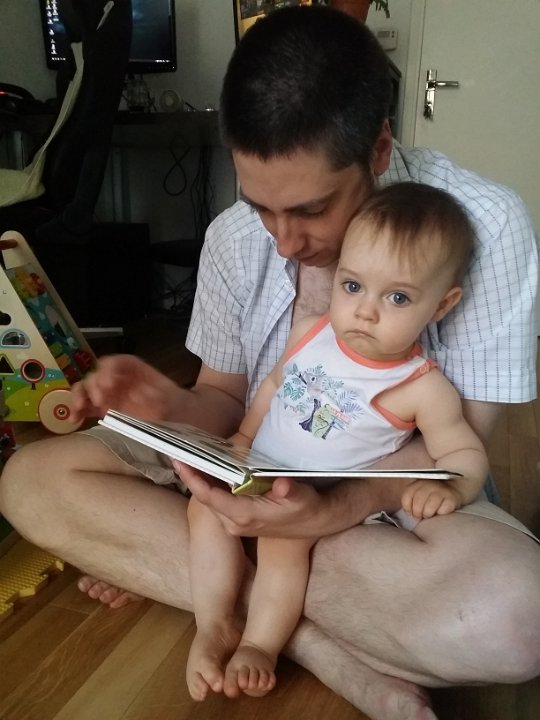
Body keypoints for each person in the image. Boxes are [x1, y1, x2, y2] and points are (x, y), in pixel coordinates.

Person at [1, 6, 539, 720]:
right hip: (253, 467)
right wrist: (166, 403)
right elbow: (225, 404)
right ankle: (310, 644)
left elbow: (450, 456)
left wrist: (325, 514)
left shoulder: (484, 226)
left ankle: (191, 575)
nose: (284, 241)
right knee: (29, 480)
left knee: (517, 619)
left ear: (379, 149)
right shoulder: (233, 238)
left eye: (311, 210)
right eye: (261, 207)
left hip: (387, 502)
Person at [185, 182, 490, 701]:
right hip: (261, 468)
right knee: (201, 509)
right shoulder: (312, 331)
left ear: (442, 304)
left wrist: (454, 488)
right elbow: (275, 385)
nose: (365, 311)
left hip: (318, 497)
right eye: (353, 286)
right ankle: (213, 622)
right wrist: (243, 435)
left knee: (283, 546)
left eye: (397, 297)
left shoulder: (419, 387)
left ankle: (260, 644)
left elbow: (463, 452)